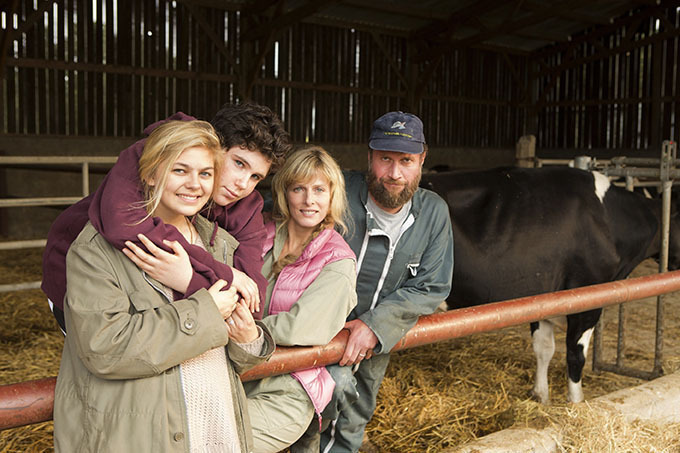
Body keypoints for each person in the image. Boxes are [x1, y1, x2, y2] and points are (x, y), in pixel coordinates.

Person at [53, 120, 275, 452]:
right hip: (147, 436)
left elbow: (229, 343)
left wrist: (250, 342)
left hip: (217, 428)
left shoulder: (220, 244)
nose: (194, 185)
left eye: (204, 174)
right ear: (151, 174)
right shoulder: (96, 250)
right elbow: (104, 348)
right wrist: (204, 313)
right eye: (180, 170)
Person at [42, 103, 291, 332]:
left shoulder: (247, 207)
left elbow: (252, 297)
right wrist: (224, 274)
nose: (242, 184)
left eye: (256, 177)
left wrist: (190, 281)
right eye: (239, 164)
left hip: (156, 299)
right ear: (214, 144)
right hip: (79, 276)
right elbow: (123, 226)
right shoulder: (161, 152)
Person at [319, 111, 454, 452]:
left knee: (354, 413)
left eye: (406, 160)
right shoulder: (334, 191)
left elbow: (432, 285)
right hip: (314, 331)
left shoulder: (433, 212)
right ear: (369, 157)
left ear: (422, 160)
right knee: (303, 409)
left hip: (376, 338)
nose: (394, 174)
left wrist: (375, 325)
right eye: (385, 159)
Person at [245, 146, 357, 452]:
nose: (309, 200)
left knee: (217, 437)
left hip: (290, 386)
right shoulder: (259, 234)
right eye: (299, 188)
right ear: (285, 192)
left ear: (332, 195)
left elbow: (299, 328)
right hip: (238, 373)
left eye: (319, 189)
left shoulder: (338, 261)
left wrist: (236, 329)